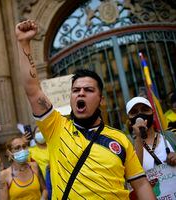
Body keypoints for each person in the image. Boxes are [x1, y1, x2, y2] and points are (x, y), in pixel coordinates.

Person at [15, 19, 155, 199]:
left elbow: (141, 184)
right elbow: (33, 90)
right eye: (75, 90)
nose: (81, 93)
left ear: (101, 99)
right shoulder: (55, 127)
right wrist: (23, 43)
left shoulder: (120, 140)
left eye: (88, 90)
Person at [126, 96, 176, 170]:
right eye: (134, 112)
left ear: (153, 113)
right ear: (129, 119)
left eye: (145, 110)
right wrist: (139, 137)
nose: (140, 114)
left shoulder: (170, 135)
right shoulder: (127, 145)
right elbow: (133, 171)